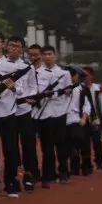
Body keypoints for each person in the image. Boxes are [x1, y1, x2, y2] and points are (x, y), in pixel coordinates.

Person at [0, 34, 28, 197]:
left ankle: (11, 182)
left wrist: (12, 87)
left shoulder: (12, 67)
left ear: (3, 45)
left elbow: (22, 90)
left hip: (8, 112)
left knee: (10, 150)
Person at [31, 46, 72, 186]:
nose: (47, 57)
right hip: (43, 112)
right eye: (45, 54)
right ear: (41, 57)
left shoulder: (64, 73)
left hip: (59, 111)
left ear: (55, 55)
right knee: (46, 146)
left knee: (61, 144)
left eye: (50, 54)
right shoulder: (35, 73)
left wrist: (61, 93)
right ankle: (48, 175)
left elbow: (69, 91)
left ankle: (63, 172)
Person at [14, 44, 45, 192]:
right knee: (11, 146)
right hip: (8, 111)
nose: (14, 49)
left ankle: (30, 174)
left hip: (25, 110)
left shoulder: (28, 68)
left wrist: (29, 97)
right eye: (11, 46)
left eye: (17, 47)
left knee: (28, 144)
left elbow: (33, 87)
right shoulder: (1, 66)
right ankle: (12, 178)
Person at [86, 70, 102, 170]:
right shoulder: (80, 88)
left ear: (92, 76)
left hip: (94, 116)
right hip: (83, 116)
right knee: (84, 142)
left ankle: (99, 161)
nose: (86, 77)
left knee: (96, 141)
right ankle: (87, 163)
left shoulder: (98, 88)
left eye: (88, 75)